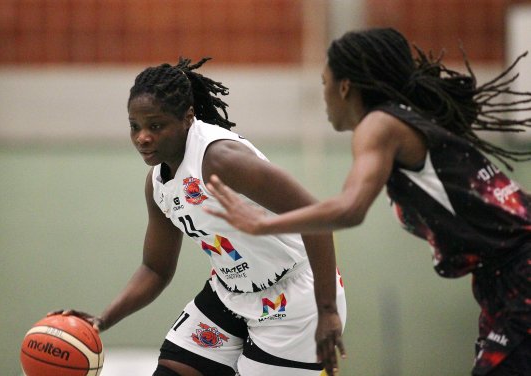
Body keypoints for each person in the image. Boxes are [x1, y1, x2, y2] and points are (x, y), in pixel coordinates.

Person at [205, 28, 531, 376]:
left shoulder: (379, 125)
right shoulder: (408, 122)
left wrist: (263, 224)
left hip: (519, 275)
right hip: (502, 282)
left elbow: (350, 208)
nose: (324, 95)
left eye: (324, 82)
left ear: (344, 87)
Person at [55, 57, 347, 376]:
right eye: (135, 126)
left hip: (294, 298)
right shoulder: (157, 183)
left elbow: (317, 218)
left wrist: (328, 310)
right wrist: (102, 320)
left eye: (156, 125)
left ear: (187, 117)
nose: (142, 137)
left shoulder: (220, 160)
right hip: (229, 292)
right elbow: (155, 268)